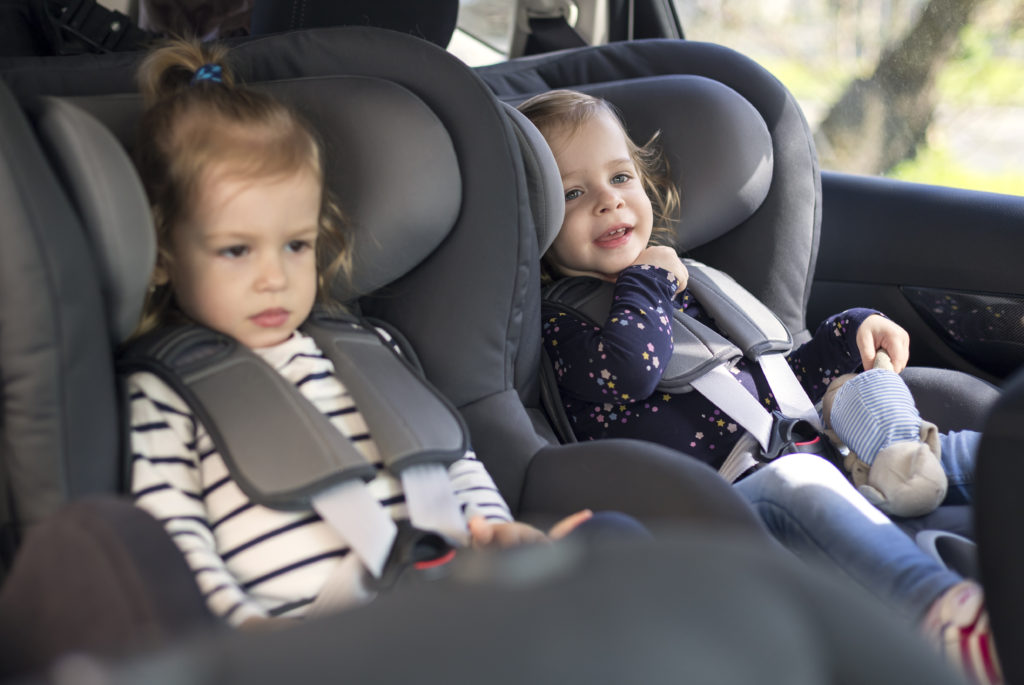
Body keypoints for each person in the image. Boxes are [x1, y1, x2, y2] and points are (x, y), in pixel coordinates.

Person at [518, 89, 1000, 685]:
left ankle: (922, 466)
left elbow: (780, 376)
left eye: (620, 177)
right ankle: (948, 621)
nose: (609, 200)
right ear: (535, 219)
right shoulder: (562, 322)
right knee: (801, 482)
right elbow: (632, 368)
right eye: (573, 193)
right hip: (729, 509)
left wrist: (848, 335)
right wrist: (646, 283)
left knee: (963, 441)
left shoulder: (696, 283)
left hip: (831, 453)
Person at [126, 41, 611, 630]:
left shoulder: (366, 350)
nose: (274, 278)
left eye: (296, 245)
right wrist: (243, 641)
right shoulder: (165, 394)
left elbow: (449, 457)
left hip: (449, 603)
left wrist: (495, 528)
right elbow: (174, 542)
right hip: (316, 645)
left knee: (615, 541)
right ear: (161, 256)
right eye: (235, 250)